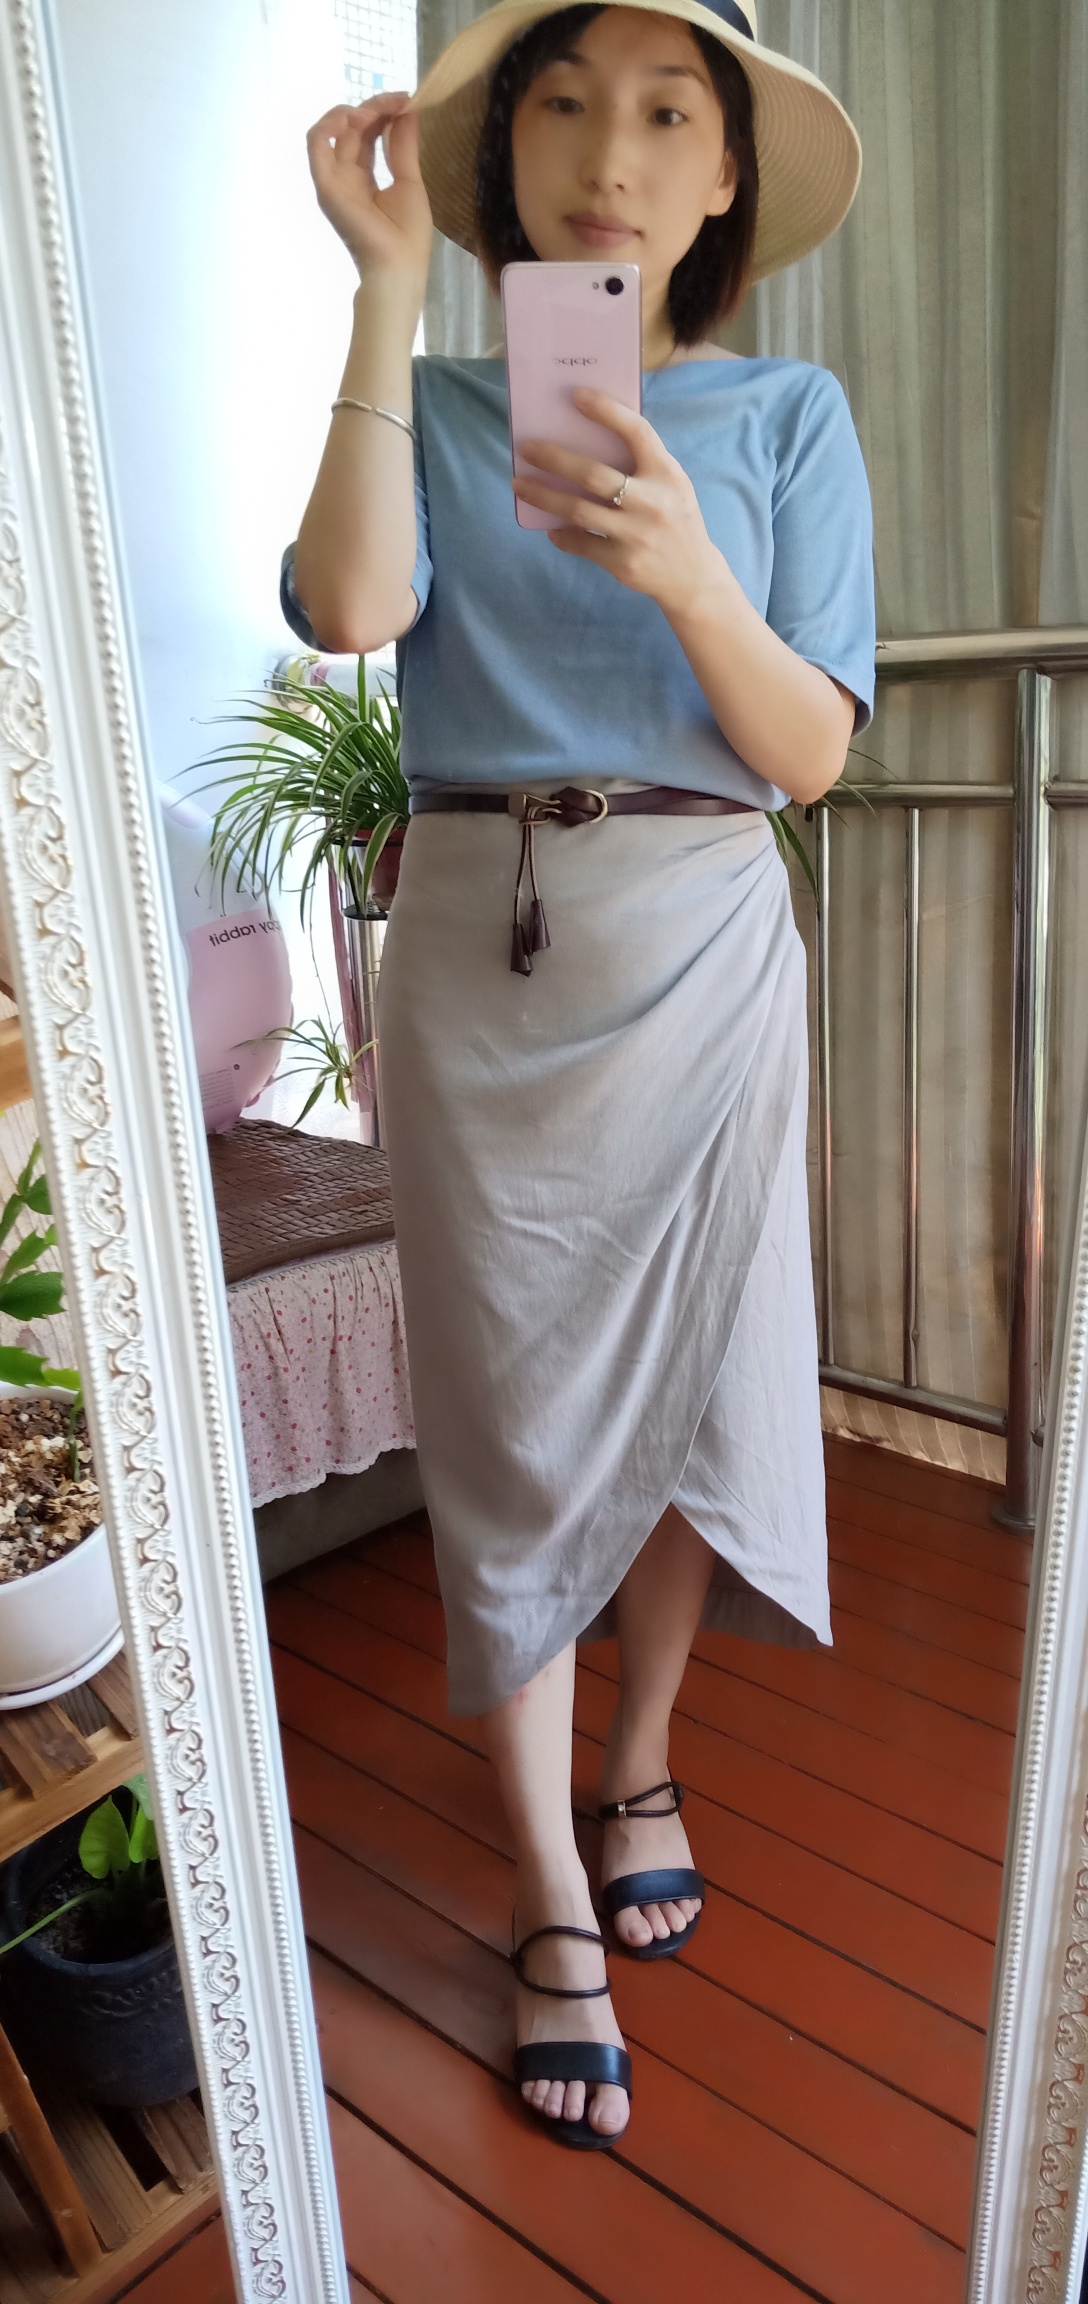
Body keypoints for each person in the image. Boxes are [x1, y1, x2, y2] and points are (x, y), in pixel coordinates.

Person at [282, 0, 875, 2153]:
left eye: (662, 112)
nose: (607, 153)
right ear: (498, 157)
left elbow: (809, 751)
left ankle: (636, 1763)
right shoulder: (440, 402)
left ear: (720, 179)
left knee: (702, 1386)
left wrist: (693, 575)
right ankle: (548, 1879)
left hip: (703, 943)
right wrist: (384, 295)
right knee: (510, 1410)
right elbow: (351, 607)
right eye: (558, 102)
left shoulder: (791, 416)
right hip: (480, 947)